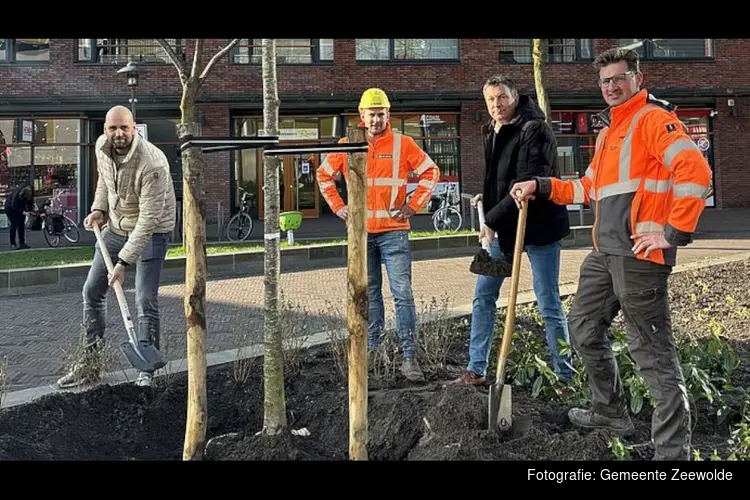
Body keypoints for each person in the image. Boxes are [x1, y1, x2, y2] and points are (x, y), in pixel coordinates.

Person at [511, 48, 712, 461]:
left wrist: (672, 232)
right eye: (605, 81)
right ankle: (610, 413)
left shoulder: (654, 120)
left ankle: (673, 456)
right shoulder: (608, 133)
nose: (612, 86)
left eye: (619, 78)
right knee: (583, 328)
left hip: (638, 257)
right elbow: (585, 189)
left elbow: (696, 171)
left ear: (637, 78)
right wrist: (539, 185)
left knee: (653, 356)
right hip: (604, 254)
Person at [452, 75, 573, 388]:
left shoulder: (536, 130)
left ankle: (566, 375)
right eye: (491, 99)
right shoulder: (490, 130)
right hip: (506, 229)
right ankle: (476, 369)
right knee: (483, 297)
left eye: (502, 98)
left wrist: (490, 220)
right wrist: (486, 199)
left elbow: (526, 182)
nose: (497, 105)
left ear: (515, 97)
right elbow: (499, 179)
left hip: (539, 229)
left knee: (548, 301)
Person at [316, 88, 440, 383]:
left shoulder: (403, 143)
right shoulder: (347, 144)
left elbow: (431, 172)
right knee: (369, 296)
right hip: (361, 235)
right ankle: (374, 351)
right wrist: (339, 207)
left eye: (381, 114)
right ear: (362, 116)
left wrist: (412, 206)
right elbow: (323, 175)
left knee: (403, 296)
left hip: (394, 233)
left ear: (388, 115)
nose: (376, 119)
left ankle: (409, 357)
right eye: (371, 114)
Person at [57, 105, 176, 389]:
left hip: (152, 231)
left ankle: (146, 368)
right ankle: (91, 363)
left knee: (144, 300)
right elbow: (105, 183)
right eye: (113, 128)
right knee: (92, 291)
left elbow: (149, 219)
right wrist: (99, 209)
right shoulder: (102, 147)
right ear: (105, 130)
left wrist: (123, 263)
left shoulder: (153, 164)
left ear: (134, 128)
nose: (118, 133)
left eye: (124, 127)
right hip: (115, 229)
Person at [4, 183, 33, 250]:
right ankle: (13, 243)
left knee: (21, 225)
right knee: (14, 224)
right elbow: (14, 206)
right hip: (10, 208)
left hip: (20, 207)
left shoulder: (29, 194)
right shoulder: (16, 195)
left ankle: (22, 243)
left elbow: (30, 203)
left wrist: (29, 210)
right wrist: (23, 212)